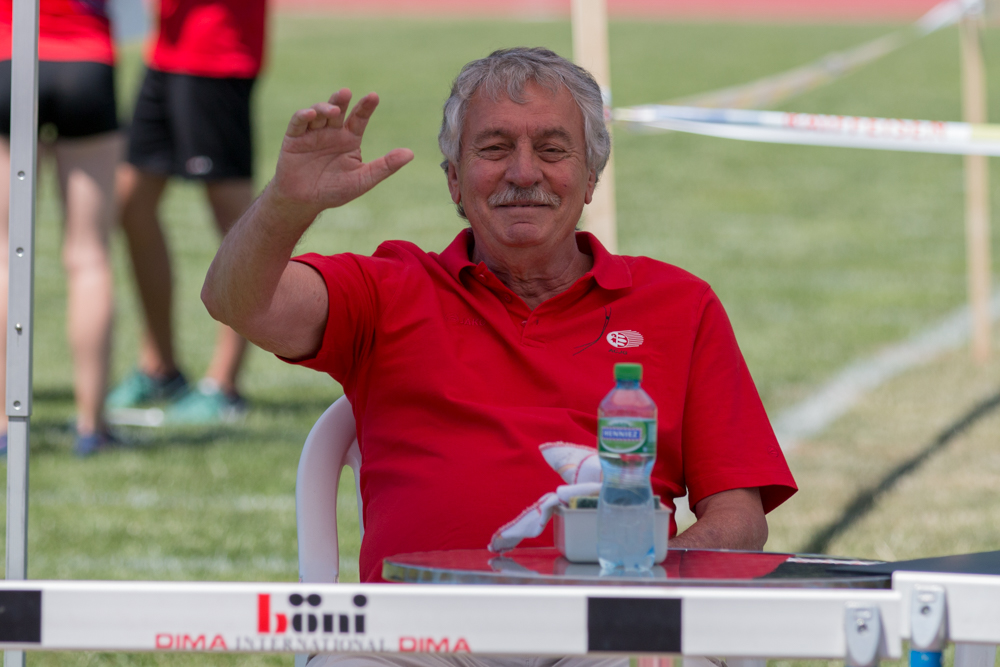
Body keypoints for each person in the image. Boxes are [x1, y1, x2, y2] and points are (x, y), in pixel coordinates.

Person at [203, 46, 796, 591]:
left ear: (591, 178)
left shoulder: (679, 304)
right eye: (493, 149)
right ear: (454, 181)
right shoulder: (389, 288)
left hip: (609, 622)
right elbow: (236, 302)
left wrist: (641, 585)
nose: (523, 173)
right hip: (420, 636)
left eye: (553, 149)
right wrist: (286, 204)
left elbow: (739, 517)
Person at [106, 0, 267, 423]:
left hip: (217, 54)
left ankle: (223, 385)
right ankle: (160, 368)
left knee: (238, 223)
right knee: (131, 202)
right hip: (165, 54)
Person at [0, 0, 122, 456]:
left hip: (10, 55)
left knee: (4, 253)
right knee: (89, 257)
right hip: (85, 61)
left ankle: (4, 425)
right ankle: (92, 425)